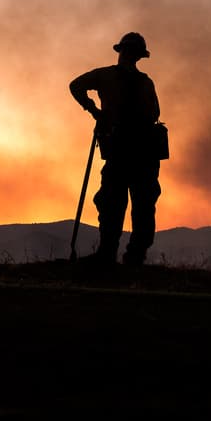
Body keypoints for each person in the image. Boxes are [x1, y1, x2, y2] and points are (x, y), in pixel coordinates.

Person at [69, 32, 166, 266]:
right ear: (138, 56)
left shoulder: (106, 76)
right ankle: (132, 256)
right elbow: (155, 113)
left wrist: (97, 113)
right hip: (141, 151)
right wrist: (97, 113)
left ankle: (110, 254)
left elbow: (76, 86)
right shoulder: (144, 82)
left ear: (121, 51)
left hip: (124, 149)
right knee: (136, 204)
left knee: (117, 202)